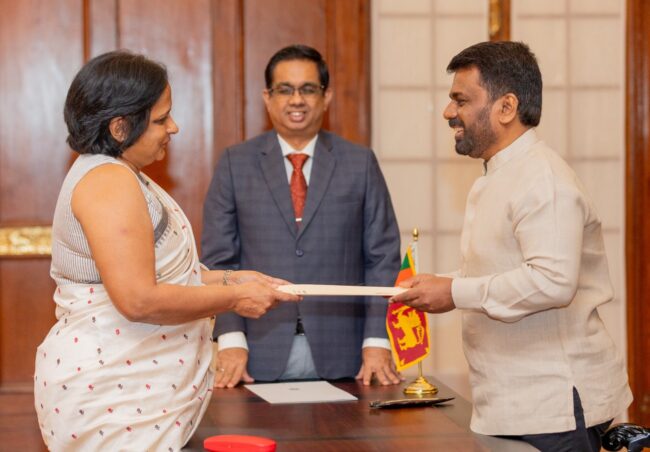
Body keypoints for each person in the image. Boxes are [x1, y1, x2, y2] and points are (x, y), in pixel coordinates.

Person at [33, 50, 300, 451]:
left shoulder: (121, 175)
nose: (173, 127)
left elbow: (163, 276)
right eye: (161, 119)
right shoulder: (108, 182)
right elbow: (139, 299)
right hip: (112, 396)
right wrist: (235, 298)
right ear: (121, 127)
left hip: (131, 391)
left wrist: (233, 278)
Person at [390, 41, 632, 452]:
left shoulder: (542, 179)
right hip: (511, 402)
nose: (448, 112)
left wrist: (454, 291)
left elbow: (552, 282)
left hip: (553, 404)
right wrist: (439, 285)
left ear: (506, 107)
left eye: (461, 100)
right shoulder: (499, 175)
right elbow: (498, 272)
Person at [202, 44, 402, 388]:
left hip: (348, 354)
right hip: (256, 353)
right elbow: (220, 262)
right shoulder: (236, 163)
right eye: (285, 89)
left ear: (326, 97)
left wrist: (376, 340)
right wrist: (231, 339)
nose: (297, 100)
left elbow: (382, 258)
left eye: (308, 89)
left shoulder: (360, 163)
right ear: (267, 98)